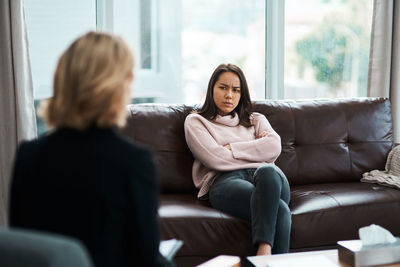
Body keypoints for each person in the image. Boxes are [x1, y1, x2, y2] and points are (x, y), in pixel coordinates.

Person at [9, 32, 169, 267]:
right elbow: (145, 260)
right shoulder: (134, 162)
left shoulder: (28, 155)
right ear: (117, 86)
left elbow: (24, 252)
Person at [184, 63, 291, 255]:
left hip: (270, 180)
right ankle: (264, 253)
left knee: (267, 171)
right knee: (280, 211)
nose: (229, 95)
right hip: (226, 180)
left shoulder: (255, 119)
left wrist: (231, 148)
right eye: (223, 88)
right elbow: (215, 159)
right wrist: (257, 150)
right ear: (212, 89)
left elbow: (274, 147)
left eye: (236, 90)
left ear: (242, 94)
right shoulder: (196, 121)